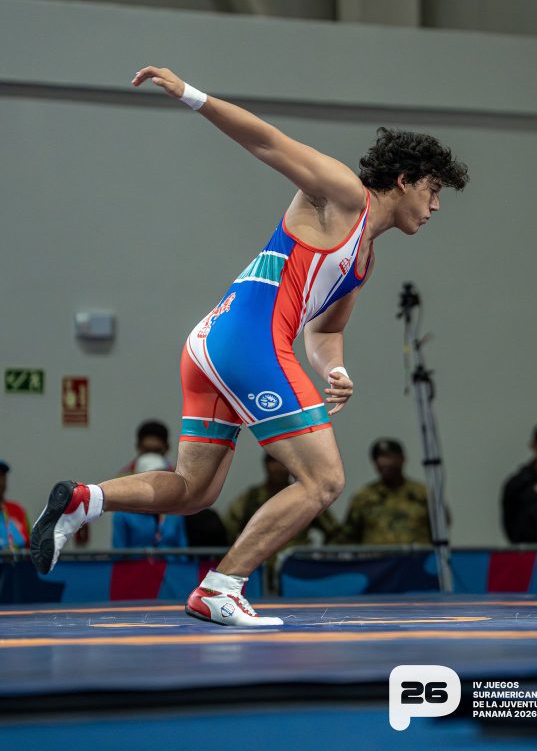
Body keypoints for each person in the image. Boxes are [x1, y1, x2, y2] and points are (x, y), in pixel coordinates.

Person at [30, 65, 468, 627]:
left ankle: (83, 500)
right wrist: (191, 94)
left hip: (212, 344)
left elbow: (324, 331)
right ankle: (222, 587)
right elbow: (268, 142)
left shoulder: (364, 258)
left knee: (194, 490)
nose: (435, 207)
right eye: (433, 191)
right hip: (249, 343)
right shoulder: (343, 195)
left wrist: (335, 370)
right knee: (325, 480)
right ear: (405, 180)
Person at [335, 438, 438, 545]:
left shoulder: (422, 494)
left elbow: (439, 528)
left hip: (418, 555)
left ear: (402, 459)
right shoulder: (364, 497)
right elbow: (349, 535)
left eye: (388, 456)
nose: (382, 462)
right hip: (377, 555)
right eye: (378, 458)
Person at [223, 453, 337, 547]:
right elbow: (227, 530)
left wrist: (322, 559)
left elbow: (334, 531)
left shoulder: (305, 497)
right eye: (273, 461)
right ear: (266, 465)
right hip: (257, 561)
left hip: (295, 562)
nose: (278, 467)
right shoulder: (251, 498)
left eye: (283, 463)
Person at [111, 453, 188, 548]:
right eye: (155, 480)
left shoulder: (175, 512)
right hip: (137, 558)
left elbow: (183, 549)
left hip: (170, 559)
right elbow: (118, 552)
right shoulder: (123, 514)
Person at [0, 460, 29, 550]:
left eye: (2, 476)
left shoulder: (18, 509)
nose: (0, 482)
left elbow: (28, 544)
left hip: (16, 559)